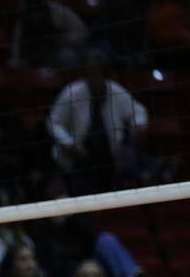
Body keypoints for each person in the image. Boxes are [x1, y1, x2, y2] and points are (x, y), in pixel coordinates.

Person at [47, 53, 146, 192]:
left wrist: (136, 126)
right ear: (85, 75)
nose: (95, 79)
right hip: (77, 157)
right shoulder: (72, 92)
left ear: (106, 75)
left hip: (109, 157)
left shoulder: (116, 91)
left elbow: (139, 112)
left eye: (99, 74)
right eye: (91, 74)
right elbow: (54, 122)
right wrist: (67, 143)